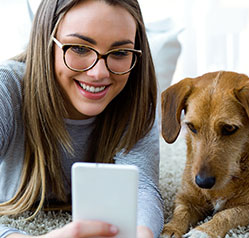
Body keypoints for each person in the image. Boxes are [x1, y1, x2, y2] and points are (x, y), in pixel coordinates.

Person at [0, 0, 164, 237]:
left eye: (119, 53)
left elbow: (143, 188)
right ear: (46, 43)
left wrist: (142, 232)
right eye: (79, 48)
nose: (99, 73)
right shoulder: (7, 87)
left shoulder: (135, 96)